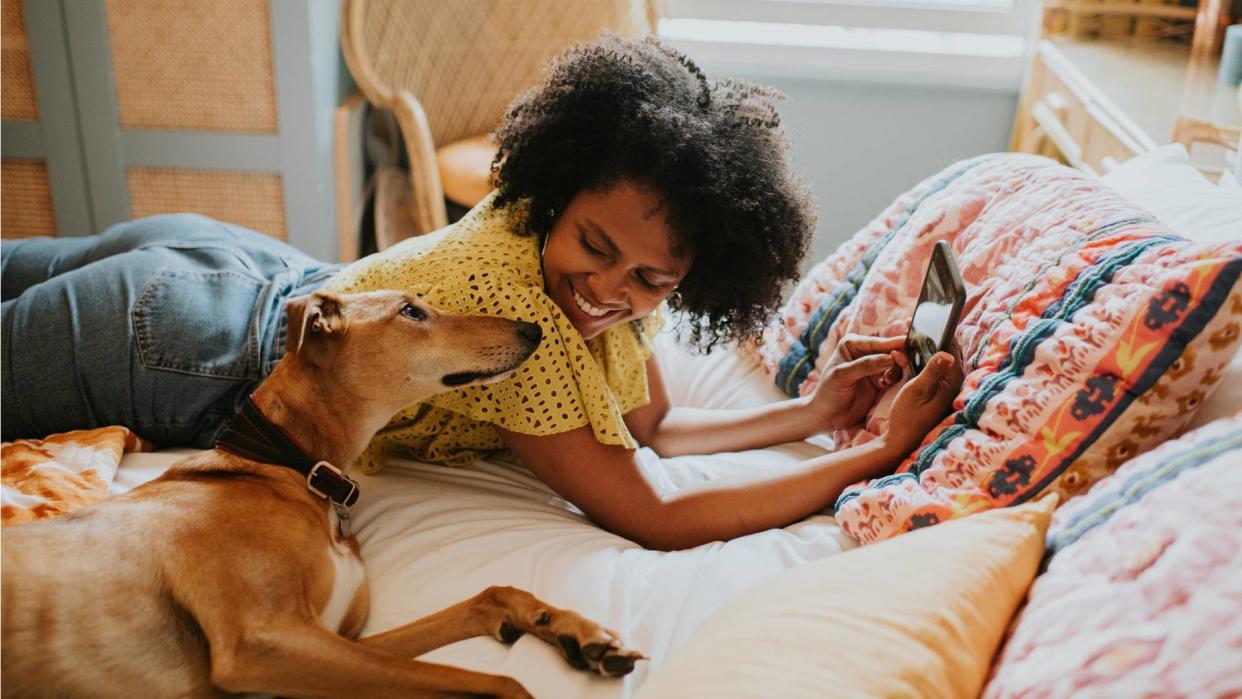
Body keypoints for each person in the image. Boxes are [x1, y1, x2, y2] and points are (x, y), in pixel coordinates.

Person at [1, 35, 960, 550]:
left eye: (651, 279)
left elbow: (649, 424)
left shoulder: (612, 271)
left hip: (239, 274)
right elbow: (653, 513)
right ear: (561, 185)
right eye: (594, 245)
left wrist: (807, 411)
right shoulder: (516, 320)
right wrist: (869, 454)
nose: (607, 289)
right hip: (187, 343)